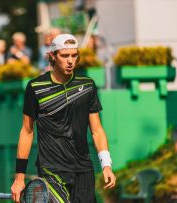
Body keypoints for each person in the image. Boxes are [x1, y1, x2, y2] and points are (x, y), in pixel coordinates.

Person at [10, 34, 116, 203]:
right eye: (65, 55)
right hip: (52, 170)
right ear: (53, 56)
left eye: (74, 55)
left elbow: (97, 130)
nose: (70, 61)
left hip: (84, 169)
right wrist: (19, 178)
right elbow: (27, 132)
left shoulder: (88, 85)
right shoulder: (36, 87)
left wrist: (106, 164)